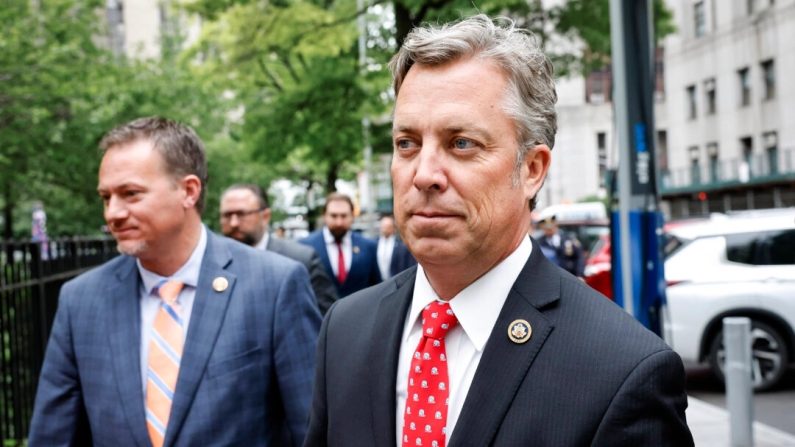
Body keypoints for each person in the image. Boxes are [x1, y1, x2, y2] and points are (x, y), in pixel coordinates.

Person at [305, 15, 693, 447]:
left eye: (461, 143)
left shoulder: (623, 371)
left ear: (531, 170)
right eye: (407, 144)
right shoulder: (345, 329)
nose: (424, 174)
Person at [29, 117, 321, 446]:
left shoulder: (274, 285)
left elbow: (311, 430)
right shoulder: (80, 301)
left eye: (130, 194)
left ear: (188, 191)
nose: (113, 213)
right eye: (105, 197)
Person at [220, 183, 339, 314]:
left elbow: (327, 320)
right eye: (227, 215)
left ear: (265, 216)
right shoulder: (213, 262)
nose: (233, 223)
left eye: (241, 214)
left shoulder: (301, 259)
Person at [300, 192, 381, 297]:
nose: (339, 222)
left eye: (344, 216)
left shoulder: (369, 246)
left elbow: (377, 287)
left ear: (352, 216)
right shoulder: (306, 246)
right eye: (334, 216)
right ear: (324, 216)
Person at [375, 214, 417, 280]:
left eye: (387, 227)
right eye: (383, 226)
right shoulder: (374, 243)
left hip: (396, 282)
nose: (385, 229)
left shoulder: (402, 246)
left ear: (393, 228)